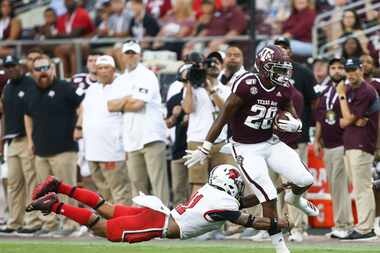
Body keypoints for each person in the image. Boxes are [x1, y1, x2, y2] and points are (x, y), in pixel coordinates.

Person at [184, 45, 318, 253]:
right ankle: (280, 246)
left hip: (270, 142)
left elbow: (290, 113)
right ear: (264, 68)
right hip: (246, 147)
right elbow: (223, 116)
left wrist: (296, 124)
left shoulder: (283, 87)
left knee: (305, 179)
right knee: (268, 194)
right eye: (278, 68)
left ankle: (295, 198)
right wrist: (205, 148)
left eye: (284, 69)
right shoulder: (246, 84)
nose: (283, 74)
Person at [26, 164, 290, 242]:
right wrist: (280, 223)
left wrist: (272, 190)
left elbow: (240, 204)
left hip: (158, 212)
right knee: (103, 230)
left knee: (106, 208)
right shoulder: (224, 203)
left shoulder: (213, 192)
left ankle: (59, 186)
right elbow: (250, 219)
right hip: (158, 222)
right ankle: (55, 205)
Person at [24, 56, 85, 237]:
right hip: (41, 150)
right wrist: (30, 140)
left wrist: (79, 126)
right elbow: (27, 115)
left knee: (67, 189)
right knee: (42, 192)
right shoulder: (31, 91)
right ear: (32, 73)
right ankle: (49, 223)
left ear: (52, 68)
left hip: (64, 148)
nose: (42, 71)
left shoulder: (64, 87)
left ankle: (71, 224)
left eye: (46, 67)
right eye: (38, 69)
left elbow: (82, 105)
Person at [107, 40, 169, 205]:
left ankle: (164, 221)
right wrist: (127, 100)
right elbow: (110, 106)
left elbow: (137, 104)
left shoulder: (147, 75)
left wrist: (122, 102)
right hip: (131, 138)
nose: (130, 56)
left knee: (158, 183)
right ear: (122, 56)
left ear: (139, 55)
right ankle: (141, 223)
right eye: (127, 53)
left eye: (133, 53)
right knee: (137, 184)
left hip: (151, 135)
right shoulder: (120, 80)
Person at [77, 55, 130, 205]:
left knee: (119, 190)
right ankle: (109, 224)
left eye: (106, 68)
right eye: (100, 68)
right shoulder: (92, 89)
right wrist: (79, 127)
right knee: (103, 191)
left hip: (113, 149)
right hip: (93, 149)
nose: (103, 71)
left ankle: (122, 224)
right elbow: (84, 112)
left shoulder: (122, 86)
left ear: (113, 70)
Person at [336, 58, 379, 240]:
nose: (351, 73)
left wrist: (341, 96)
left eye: (354, 69)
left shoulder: (365, 91)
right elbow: (343, 121)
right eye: (348, 70)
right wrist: (349, 120)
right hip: (352, 142)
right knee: (359, 187)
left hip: (362, 143)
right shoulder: (353, 89)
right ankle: (362, 225)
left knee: (363, 187)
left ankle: (365, 229)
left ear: (361, 70)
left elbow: (347, 118)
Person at [0, 56, 42, 235]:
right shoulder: (8, 87)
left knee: (31, 181)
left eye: (13, 66)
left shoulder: (30, 84)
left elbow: (34, 114)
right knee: (14, 183)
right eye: (7, 67)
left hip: (26, 138)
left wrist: (34, 140)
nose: (11, 70)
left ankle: (33, 220)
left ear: (21, 67)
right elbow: (3, 115)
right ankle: (15, 221)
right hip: (11, 140)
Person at [183, 51, 235, 194]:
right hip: (197, 141)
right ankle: (196, 215)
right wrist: (189, 82)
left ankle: (221, 216)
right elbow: (187, 109)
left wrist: (211, 90)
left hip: (219, 142)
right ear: (203, 67)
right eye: (209, 63)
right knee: (198, 184)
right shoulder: (193, 88)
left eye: (216, 63)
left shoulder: (226, 89)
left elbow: (227, 111)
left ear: (222, 67)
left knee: (222, 185)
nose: (213, 65)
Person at [314, 57, 353, 239]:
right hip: (328, 145)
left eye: (340, 68)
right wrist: (317, 139)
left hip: (342, 143)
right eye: (333, 67)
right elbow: (321, 118)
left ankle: (344, 225)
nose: (336, 71)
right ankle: (341, 224)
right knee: (334, 187)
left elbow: (352, 117)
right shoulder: (326, 91)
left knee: (340, 187)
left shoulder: (349, 89)